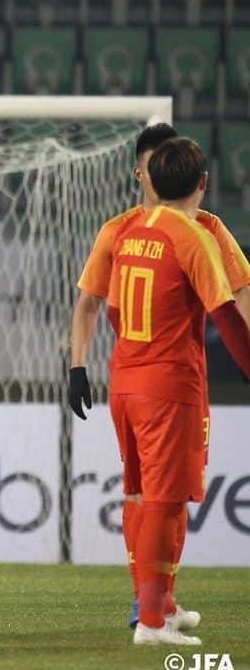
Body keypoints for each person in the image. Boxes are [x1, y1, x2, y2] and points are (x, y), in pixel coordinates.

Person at [69, 123, 250, 629]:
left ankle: (160, 602)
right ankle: (149, 610)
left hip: (130, 380)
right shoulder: (184, 233)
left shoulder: (150, 232)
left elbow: (110, 311)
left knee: (146, 496)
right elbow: (229, 310)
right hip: (168, 385)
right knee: (162, 500)